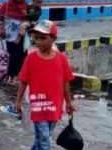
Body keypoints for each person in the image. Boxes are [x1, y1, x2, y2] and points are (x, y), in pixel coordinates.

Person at [14, 20, 75, 150]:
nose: (39, 41)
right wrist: (18, 101)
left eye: (43, 38)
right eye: (36, 38)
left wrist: (69, 103)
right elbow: (23, 81)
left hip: (55, 106)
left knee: (42, 139)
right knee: (44, 139)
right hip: (38, 105)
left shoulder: (61, 59)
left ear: (53, 39)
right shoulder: (30, 59)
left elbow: (65, 82)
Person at [0, 0, 29, 84]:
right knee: (12, 55)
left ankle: (20, 74)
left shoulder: (25, 4)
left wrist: (27, 17)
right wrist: (1, 29)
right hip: (10, 34)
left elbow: (30, 17)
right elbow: (1, 17)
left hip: (22, 34)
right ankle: (12, 76)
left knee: (22, 54)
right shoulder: (7, 4)